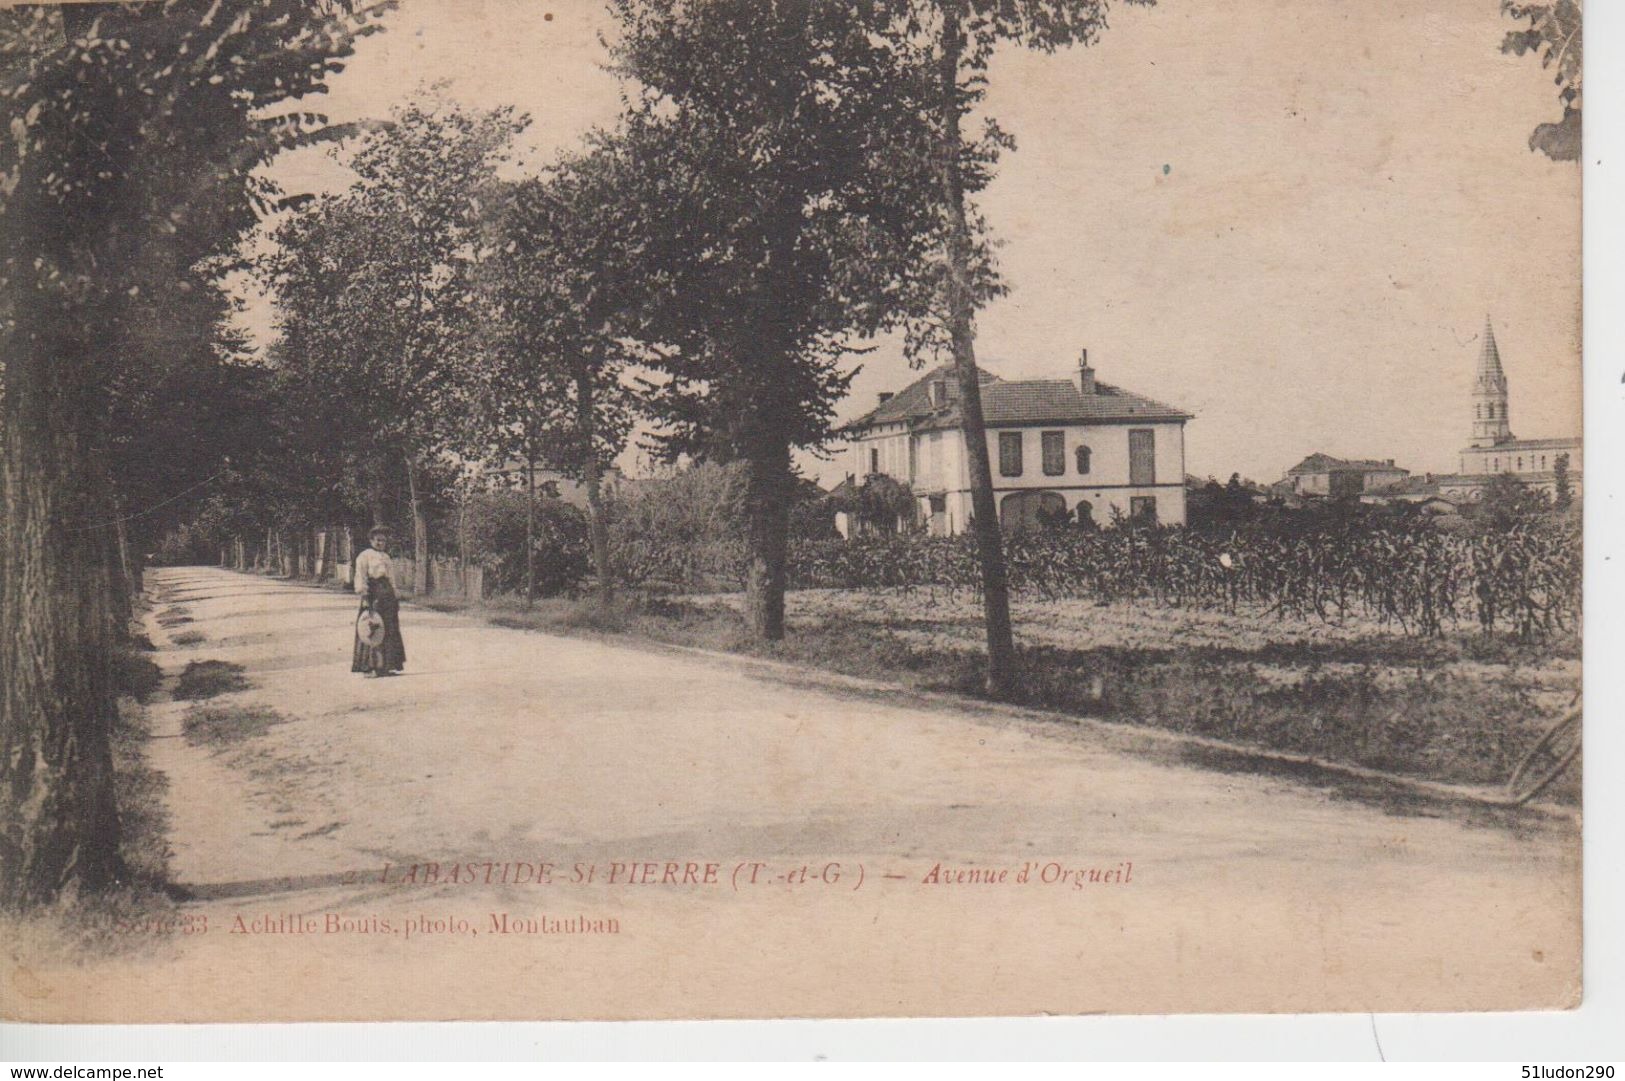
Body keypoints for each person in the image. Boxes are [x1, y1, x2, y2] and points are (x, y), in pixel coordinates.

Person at [351, 525, 407, 677]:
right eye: (377, 540)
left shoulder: (386, 557)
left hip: (387, 593)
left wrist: (395, 595)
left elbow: (391, 578)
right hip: (373, 593)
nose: (380, 543)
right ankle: (369, 666)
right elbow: (360, 576)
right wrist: (364, 596)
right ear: (371, 540)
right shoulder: (365, 556)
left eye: (383, 541)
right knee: (373, 627)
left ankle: (386, 666)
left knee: (389, 627)